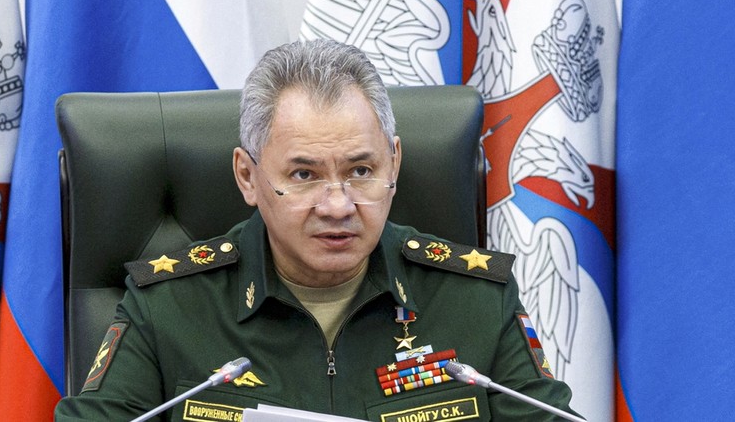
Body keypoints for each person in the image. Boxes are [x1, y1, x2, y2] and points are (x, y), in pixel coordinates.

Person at [55, 39, 579, 421]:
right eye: (304, 176)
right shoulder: (168, 305)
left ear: (394, 164)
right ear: (248, 176)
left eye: (361, 170)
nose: (337, 205)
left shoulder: (476, 298)